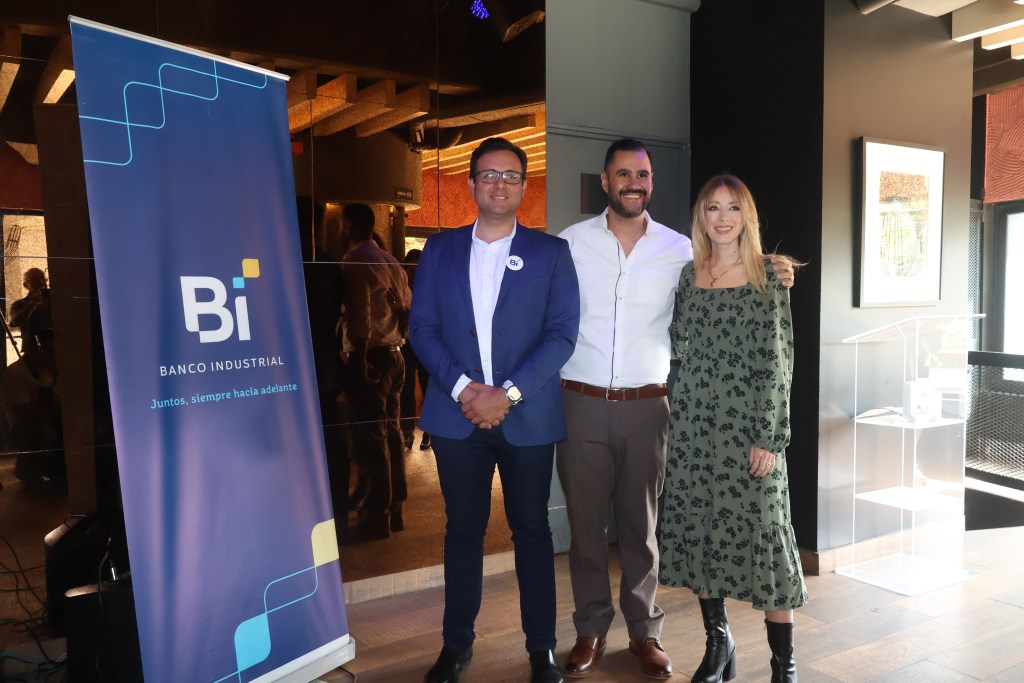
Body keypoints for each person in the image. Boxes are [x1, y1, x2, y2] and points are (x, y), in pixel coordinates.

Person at [556, 139, 795, 680]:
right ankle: (590, 629)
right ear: (605, 181)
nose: (633, 182)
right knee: (587, 527)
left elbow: (743, 274)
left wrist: (777, 268)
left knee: (643, 529)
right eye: (623, 174)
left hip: (651, 407)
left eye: (642, 174)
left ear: (651, 182)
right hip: (584, 402)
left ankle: (645, 633)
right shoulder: (569, 244)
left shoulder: (680, 251)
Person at [409, 137, 579, 683]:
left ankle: (542, 650)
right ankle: (456, 646)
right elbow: (422, 330)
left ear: (524, 186)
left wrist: (506, 394)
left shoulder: (551, 253)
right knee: (463, 531)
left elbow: (561, 335)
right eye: (488, 175)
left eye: (510, 176)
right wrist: (465, 389)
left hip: (525, 416)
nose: (499, 184)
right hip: (455, 416)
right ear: (472, 184)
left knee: (532, 530)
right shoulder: (439, 250)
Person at [659, 174, 807, 683]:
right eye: (712, 208)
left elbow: (777, 361)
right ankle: (719, 644)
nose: (722, 217)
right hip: (695, 428)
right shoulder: (686, 276)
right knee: (701, 532)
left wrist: (769, 437)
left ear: (748, 217)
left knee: (767, 542)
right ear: (700, 217)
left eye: (733, 208)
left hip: (750, 432)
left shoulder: (768, 276)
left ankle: (783, 668)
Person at [338, 203, 411, 540]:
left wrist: (359, 359)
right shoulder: (392, 262)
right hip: (396, 354)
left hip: (372, 356)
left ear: (348, 225)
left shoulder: (355, 260)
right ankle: (394, 504)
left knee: (370, 438)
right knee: (392, 432)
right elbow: (407, 309)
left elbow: (360, 314)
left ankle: (374, 514)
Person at [399, 249, 431, 451]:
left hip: (427, 344)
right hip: (406, 341)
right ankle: (407, 431)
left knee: (428, 387)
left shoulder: (428, 288)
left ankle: (428, 431)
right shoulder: (401, 287)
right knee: (406, 388)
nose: (414, 274)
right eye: (411, 269)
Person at [9, 267, 53, 351]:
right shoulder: (18, 304)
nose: (39, 281)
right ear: (26, 285)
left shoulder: (55, 300)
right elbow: (15, 321)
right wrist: (31, 306)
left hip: (58, 350)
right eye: (34, 279)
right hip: (32, 352)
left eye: (42, 278)